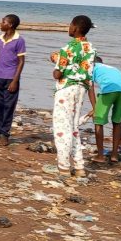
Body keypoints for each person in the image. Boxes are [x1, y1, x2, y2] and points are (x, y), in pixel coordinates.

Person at [49, 15, 96, 177]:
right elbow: (87, 73)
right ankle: (79, 166)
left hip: (66, 89)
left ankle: (63, 167)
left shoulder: (67, 48)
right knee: (74, 127)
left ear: (75, 28)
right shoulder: (90, 48)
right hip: (81, 89)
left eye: (70, 25)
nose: (69, 28)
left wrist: (55, 62)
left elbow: (58, 74)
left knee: (62, 127)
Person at [0, 14, 25, 145]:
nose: (0, 24)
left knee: (8, 106)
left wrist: (15, 80)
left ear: (10, 25)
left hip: (11, 77)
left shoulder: (19, 40)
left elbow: (21, 61)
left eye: (3, 22)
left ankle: (4, 134)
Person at [88, 57, 121, 164]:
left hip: (110, 88)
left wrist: (95, 108)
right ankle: (114, 155)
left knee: (98, 121)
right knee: (117, 121)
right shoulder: (111, 68)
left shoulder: (90, 68)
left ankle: (100, 156)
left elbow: (90, 89)